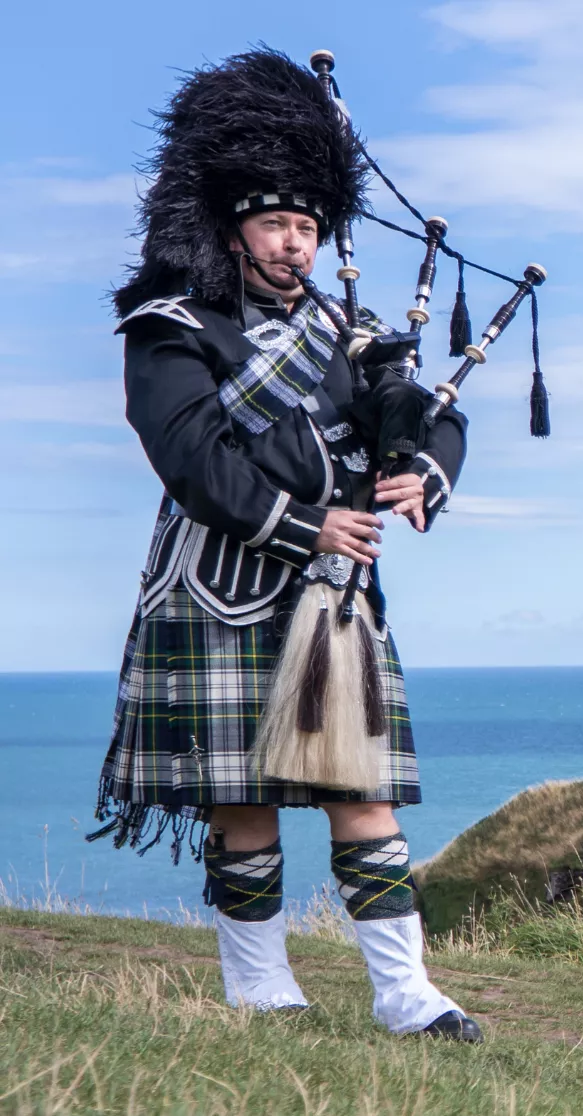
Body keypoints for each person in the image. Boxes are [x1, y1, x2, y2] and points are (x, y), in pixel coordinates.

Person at [93, 49, 480, 1041]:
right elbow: (190, 458)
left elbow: (424, 411)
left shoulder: (349, 332)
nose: (297, 245)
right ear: (232, 226)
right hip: (219, 588)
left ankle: (406, 994)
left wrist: (424, 467)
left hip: (334, 597)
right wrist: (314, 514)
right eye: (277, 224)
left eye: (309, 227)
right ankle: (262, 988)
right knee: (242, 805)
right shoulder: (171, 326)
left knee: (364, 796)